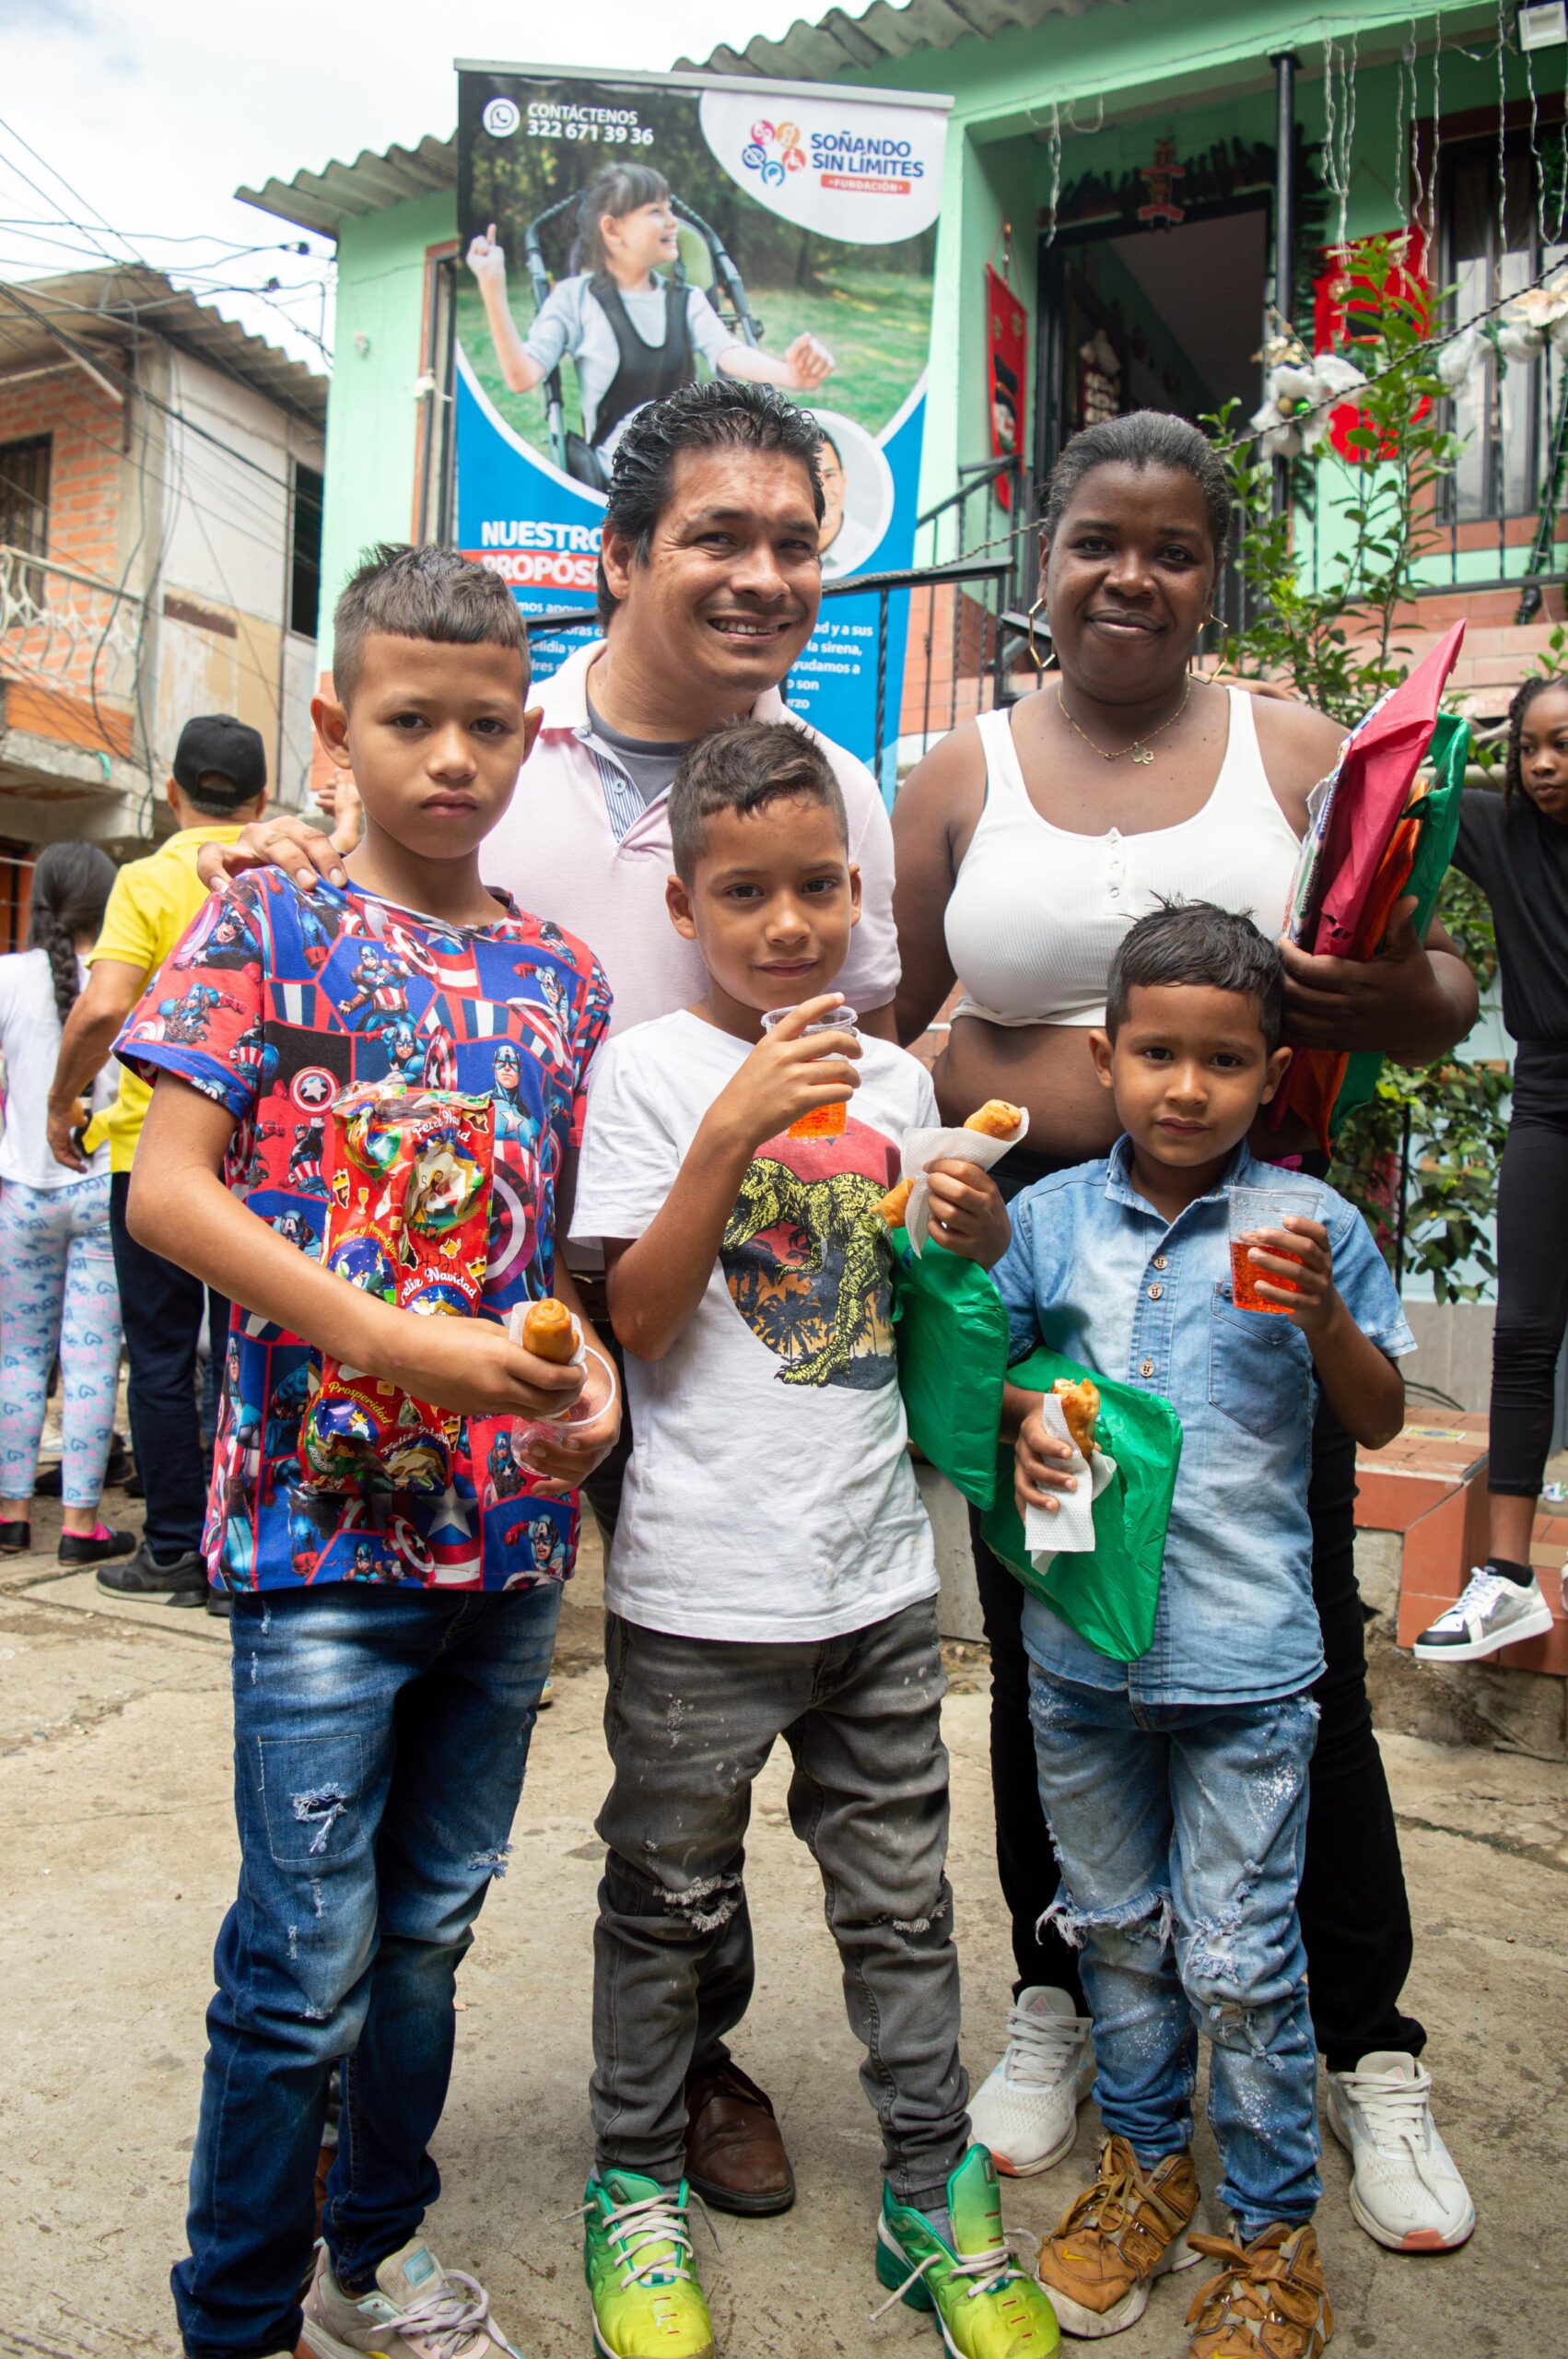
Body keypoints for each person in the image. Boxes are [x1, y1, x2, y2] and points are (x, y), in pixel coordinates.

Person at [201, 379, 902, 2214]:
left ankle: (697, 2059)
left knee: (697, 1713)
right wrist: (290, 835)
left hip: (674, 1328)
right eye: (716, 536)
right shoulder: (501, 739)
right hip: (459, 1334)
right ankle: (324, 2177)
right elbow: (332, 961)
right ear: (617, 557)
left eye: (792, 542)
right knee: (421, 1834)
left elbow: (850, 1061)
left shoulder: (842, 788)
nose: (760, 575)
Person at [891, 410, 1480, 2250]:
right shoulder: (949, 771)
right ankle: (1067, 1997)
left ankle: (1359, 2040)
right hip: (1042, 1318)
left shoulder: (1292, 751)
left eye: (1164, 546)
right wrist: (927, 1200)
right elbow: (900, 1013)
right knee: (1049, 1663)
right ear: (1037, 557)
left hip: (1238, 1324)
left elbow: (1439, 981)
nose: (1124, 574)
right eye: (1089, 539)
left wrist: (1383, 988)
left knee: (1286, 1668)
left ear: (1207, 569)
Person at [115, 543, 620, 2359]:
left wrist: (600, 1382)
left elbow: (551, 1254)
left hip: (502, 1547)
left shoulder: (561, 981)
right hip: (318, 1543)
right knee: (301, 1959)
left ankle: (370, 2248)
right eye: (408, 719)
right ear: (335, 726)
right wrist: (391, 1337)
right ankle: (236, 2313)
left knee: (425, 1936)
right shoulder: (263, 923)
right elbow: (168, 1193)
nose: (450, 757)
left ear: (528, 733)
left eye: (488, 724)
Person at [569, 717, 1055, 2359]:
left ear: (859, 895)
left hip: (872, 1582)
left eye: (812, 891)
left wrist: (960, 1225)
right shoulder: (643, 1074)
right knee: (665, 1898)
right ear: (687, 910)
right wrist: (728, 1129)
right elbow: (634, 1321)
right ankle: (634, 2181)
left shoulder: (902, 1078)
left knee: (903, 1906)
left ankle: (932, 2187)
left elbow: (915, 1297)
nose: (784, 925)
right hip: (701, 1589)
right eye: (741, 893)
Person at [999, 904, 1417, 2355]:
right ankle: (1142, 2172)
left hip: (1247, 1671)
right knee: (1114, 1932)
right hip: (1078, 1667)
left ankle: (1269, 2225)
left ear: (1270, 1072)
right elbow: (965, 1386)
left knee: (1238, 1958)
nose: (1187, 1088)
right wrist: (1014, 1429)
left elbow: (1374, 1418)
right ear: (1102, 1056)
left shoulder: (1315, 1228)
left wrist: (1323, 1326)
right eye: (1158, 1055)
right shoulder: (1044, 1220)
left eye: (1224, 1062)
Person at [46, 715, 268, 1611]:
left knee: (164, 1354)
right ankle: (234, 1555)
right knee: (248, 1349)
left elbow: (101, 1009)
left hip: (153, 1154)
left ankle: (176, 1545)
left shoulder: (147, 879)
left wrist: (63, 1097)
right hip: (255, 1160)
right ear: (260, 800)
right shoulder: (277, 879)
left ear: (172, 793)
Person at [1411, 674, 1568, 1663]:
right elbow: (1388, 787)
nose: (1543, 765)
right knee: (1522, 1333)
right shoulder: (1500, 827)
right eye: (1528, 747)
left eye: (1562, 745)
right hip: (1550, 1097)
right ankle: (1508, 1581)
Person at [465, 162, 832, 477]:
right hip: (623, 473)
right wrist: (492, 288)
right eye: (655, 211)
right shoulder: (575, 298)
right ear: (613, 230)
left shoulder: (685, 299)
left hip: (688, 463)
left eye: (670, 208)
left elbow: (727, 350)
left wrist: (792, 374)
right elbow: (522, 376)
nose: (673, 222)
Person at [0, 840, 130, 1565]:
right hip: (100, 1189)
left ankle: (12, 1514)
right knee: (89, 1362)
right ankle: (81, 1524)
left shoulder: (7, 977)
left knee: (16, 1358)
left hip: (21, 1191)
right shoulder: (124, 982)